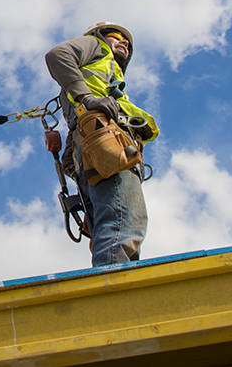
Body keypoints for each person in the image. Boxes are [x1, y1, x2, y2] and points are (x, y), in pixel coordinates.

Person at [45, 22, 159, 266]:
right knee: (123, 222)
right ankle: (116, 290)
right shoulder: (94, 48)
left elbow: (70, 158)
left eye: (127, 42)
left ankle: (114, 280)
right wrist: (86, 98)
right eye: (116, 36)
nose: (124, 42)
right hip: (109, 145)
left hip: (99, 148)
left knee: (112, 225)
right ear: (99, 37)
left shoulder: (105, 83)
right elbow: (58, 55)